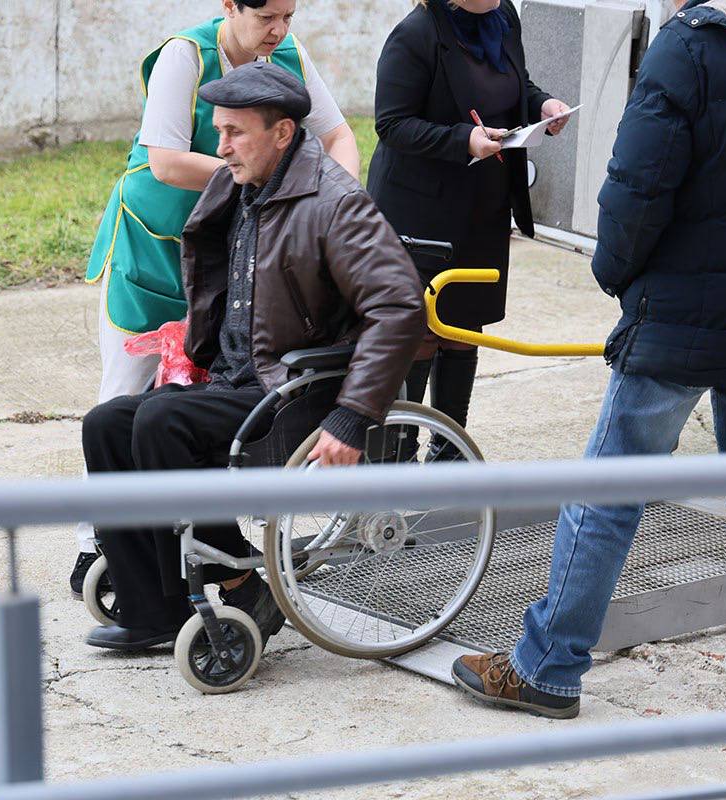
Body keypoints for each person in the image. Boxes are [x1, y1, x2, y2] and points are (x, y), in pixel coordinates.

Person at [452, 0, 726, 719]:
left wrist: (615, 274)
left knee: (610, 490)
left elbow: (636, 188)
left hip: (684, 314)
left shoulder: (690, 46)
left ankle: (546, 669)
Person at [80, 63, 426, 651]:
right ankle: (153, 610)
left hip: (297, 392)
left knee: (162, 421)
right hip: (239, 379)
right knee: (107, 423)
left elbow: (398, 306)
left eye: (235, 133)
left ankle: (240, 581)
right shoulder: (238, 183)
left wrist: (352, 416)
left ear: (283, 132)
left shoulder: (336, 203)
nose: (221, 148)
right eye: (219, 131)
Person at [70, 0, 361, 599]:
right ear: (230, 5)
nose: (279, 29)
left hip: (231, 250)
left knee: (179, 406)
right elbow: (166, 162)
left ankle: (194, 560)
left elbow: (338, 136)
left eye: (288, 15)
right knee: (123, 397)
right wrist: (273, 178)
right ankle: (95, 540)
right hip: (157, 247)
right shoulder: (187, 56)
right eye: (267, 16)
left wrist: (337, 201)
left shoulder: (287, 53)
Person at [368, 0, 571, 435]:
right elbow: (391, 124)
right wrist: (464, 140)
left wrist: (542, 105)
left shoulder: (503, 17)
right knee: (422, 330)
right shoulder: (416, 34)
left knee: (464, 324)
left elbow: (515, 84)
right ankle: (400, 452)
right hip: (421, 213)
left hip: (483, 204)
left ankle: (450, 450)